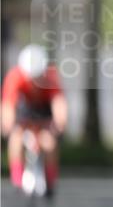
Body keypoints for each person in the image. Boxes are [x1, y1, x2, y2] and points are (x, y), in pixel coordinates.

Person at [1, 45, 68, 199]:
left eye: (38, 76)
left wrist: (60, 123)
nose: (35, 81)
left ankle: (50, 182)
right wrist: (7, 125)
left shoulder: (51, 77)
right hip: (23, 116)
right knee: (16, 140)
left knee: (49, 143)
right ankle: (17, 180)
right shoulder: (14, 77)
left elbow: (59, 104)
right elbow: (7, 106)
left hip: (44, 116)